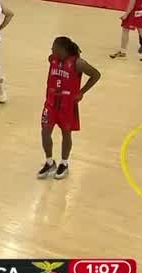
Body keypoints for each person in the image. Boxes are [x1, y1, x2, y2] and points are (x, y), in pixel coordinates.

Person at [38, 36, 101, 180]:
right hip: (51, 103)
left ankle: (64, 163)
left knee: (66, 134)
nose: (52, 50)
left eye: (54, 48)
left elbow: (96, 75)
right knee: (45, 132)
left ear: (63, 49)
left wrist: (82, 92)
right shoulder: (51, 59)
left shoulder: (78, 63)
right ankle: (49, 162)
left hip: (67, 105)